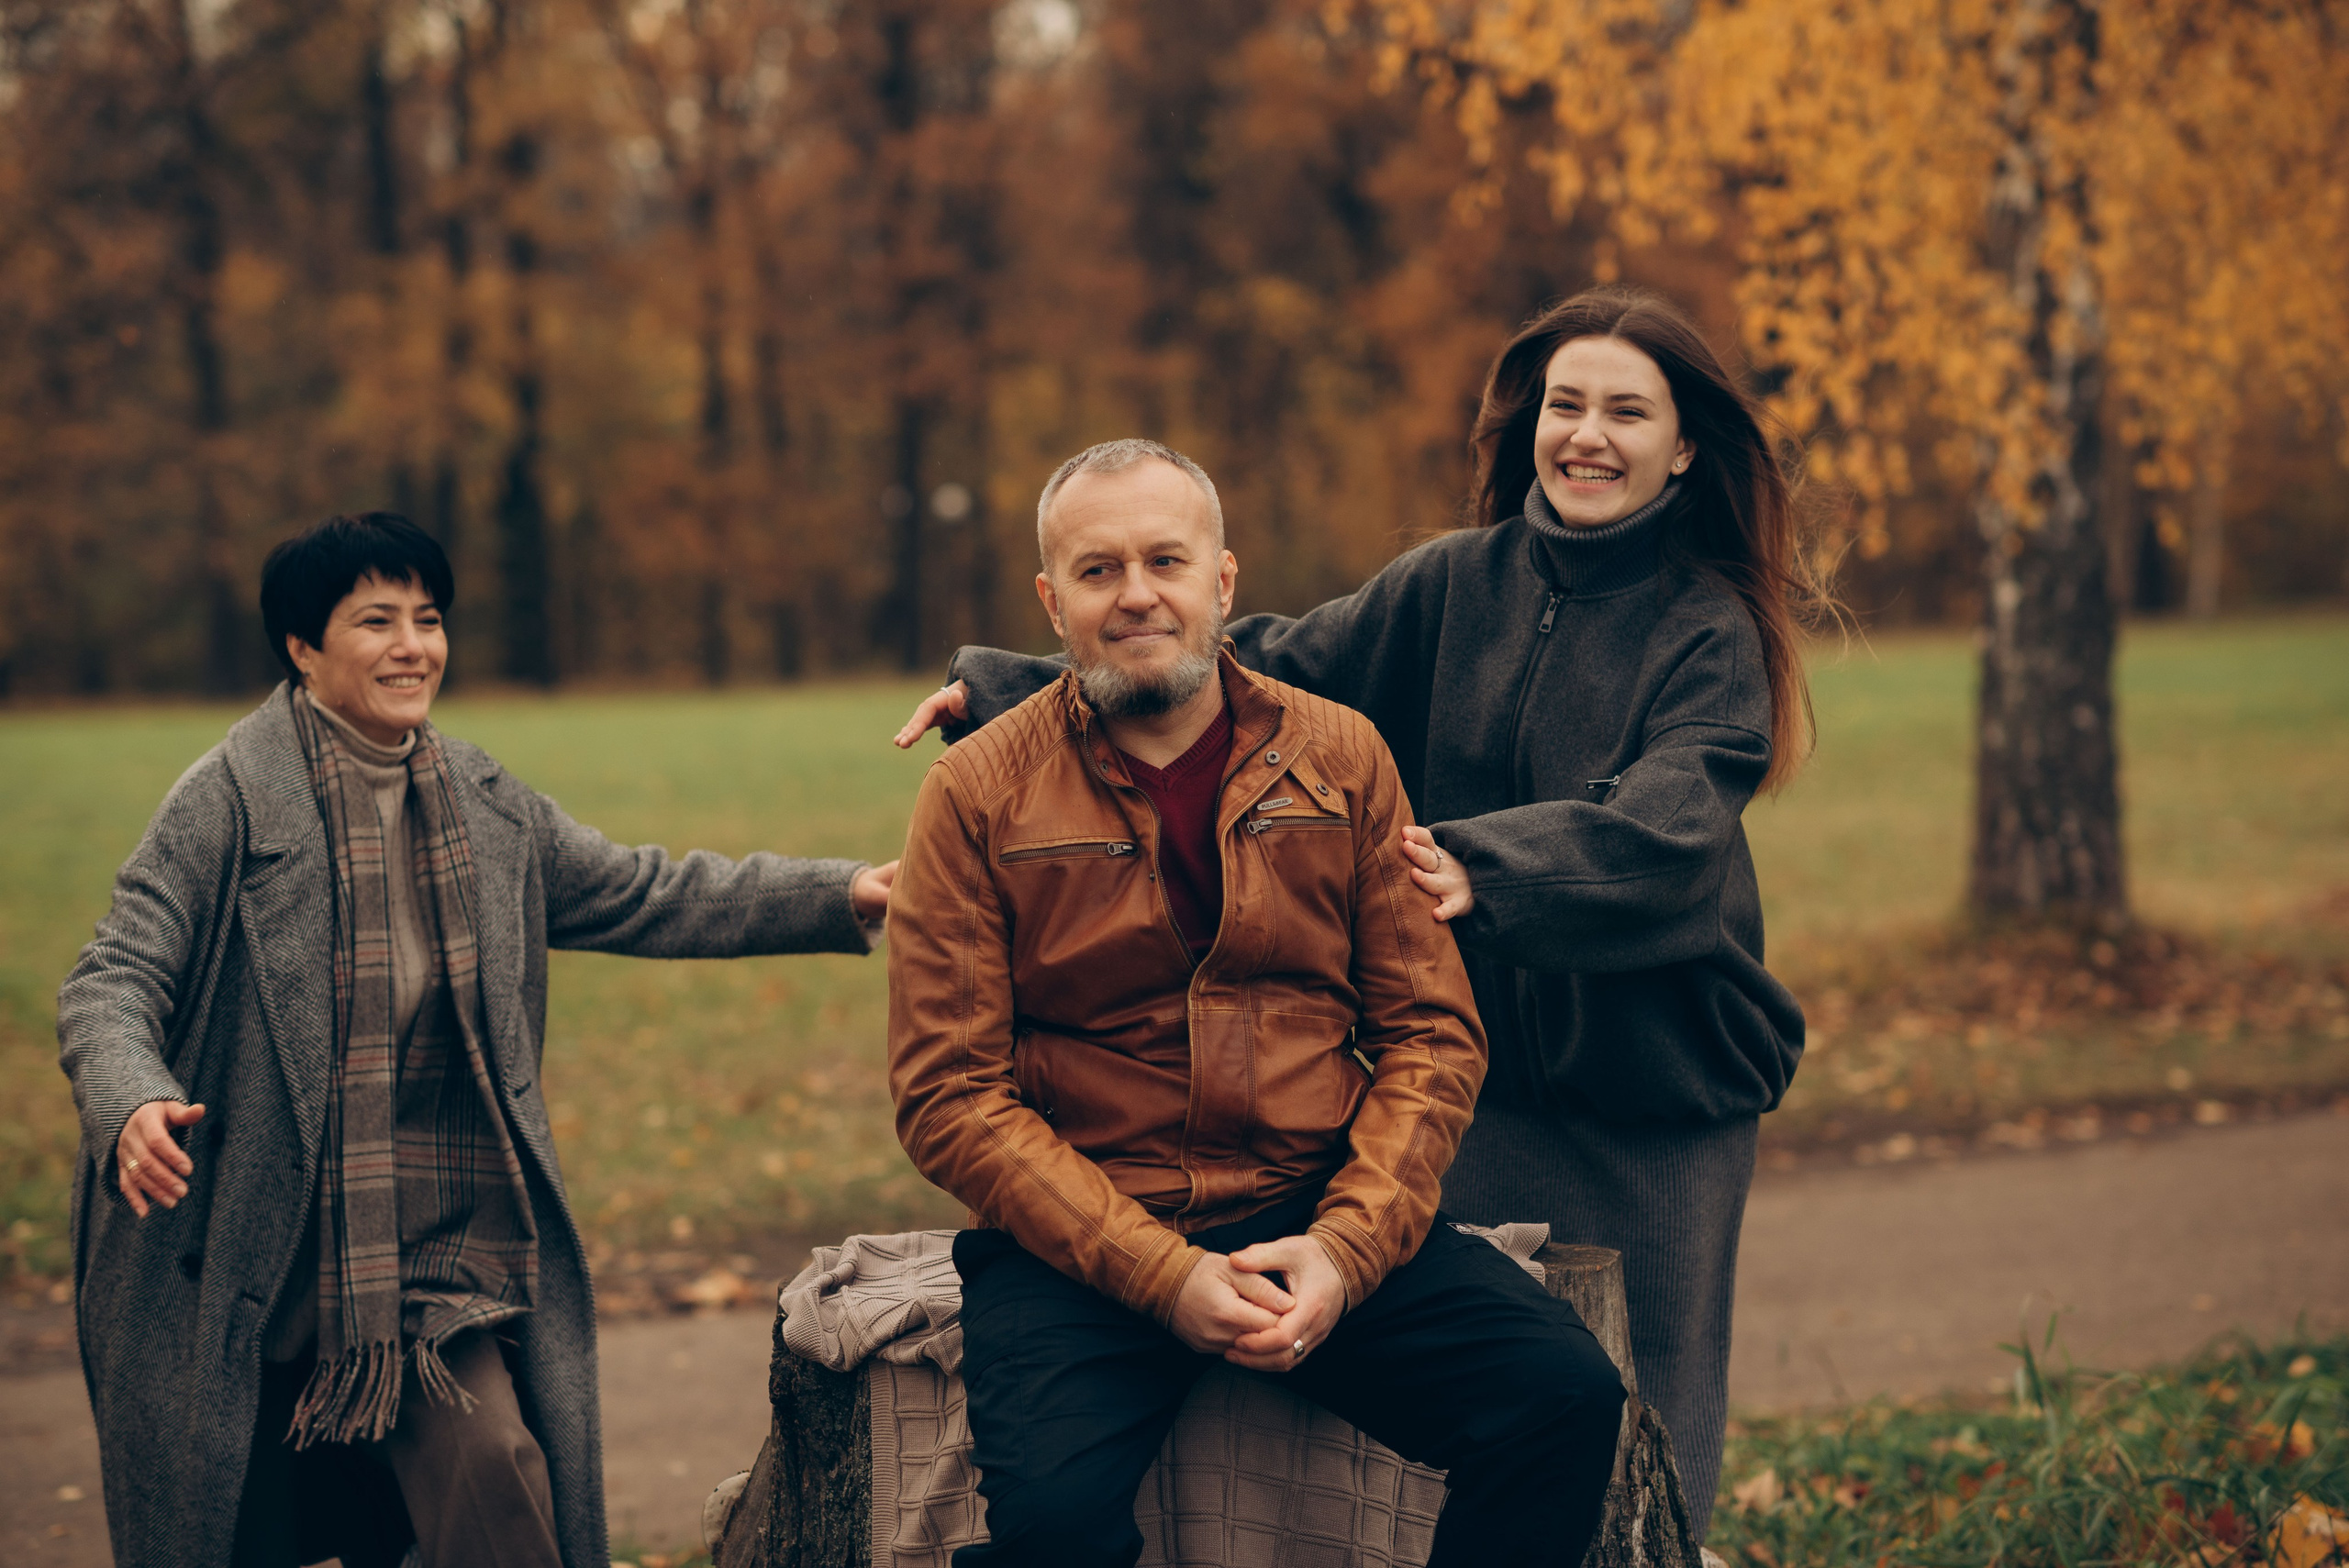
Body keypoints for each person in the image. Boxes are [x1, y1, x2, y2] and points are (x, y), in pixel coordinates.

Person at [893, 284, 1827, 1524]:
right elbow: (1248, 655)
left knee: (1637, 1403)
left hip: (1646, 1074)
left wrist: (1482, 869)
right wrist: (1012, 688)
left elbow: (1672, 837)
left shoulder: (1706, 630)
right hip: (1484, 1073)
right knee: (1465, 1386)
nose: (1587, 435)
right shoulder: (1455, 582)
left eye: (1626, 411)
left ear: (1685, 442)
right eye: (1565, 404)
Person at [58, 512, 897, 1568]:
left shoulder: (482, 803)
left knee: (493, 1468)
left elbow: (645, 890)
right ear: (302, 648)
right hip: (244, 1249)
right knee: (240, 1528)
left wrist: (841, 892)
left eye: (429, 617)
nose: (414, 644)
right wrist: (131, 1097)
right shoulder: (226, 803)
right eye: (376, 620)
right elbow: (113, 975)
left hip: (428, 1252)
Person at [886, 439, 1627, 1568]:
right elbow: (948, 1095)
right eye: (1097, 571)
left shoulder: (1341, 758)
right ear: (1052, 600)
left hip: (1308, 1198)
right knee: (1052, 1534)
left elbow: (1429, 1034)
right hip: (1081, 1238)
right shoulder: (975, 791)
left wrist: (1344, 1247)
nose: (1137, 594)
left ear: (1222, 581)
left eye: (1166, 561)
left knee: (1561, 1397)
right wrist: (1163, 1275)